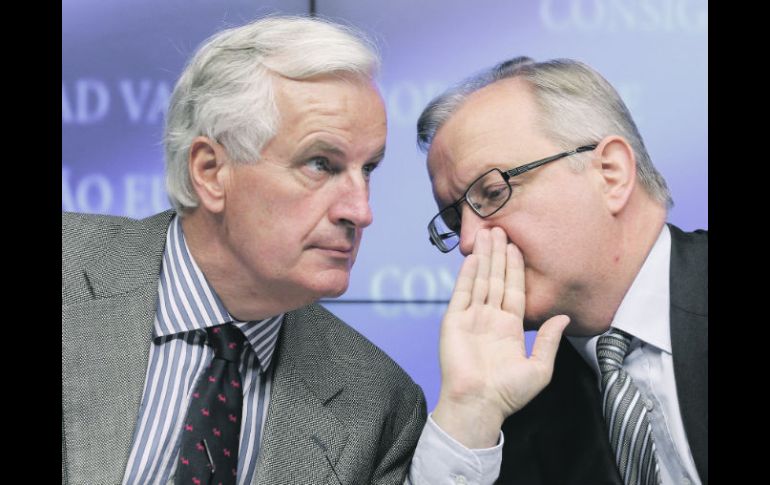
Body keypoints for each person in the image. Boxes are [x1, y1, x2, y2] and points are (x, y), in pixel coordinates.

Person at [62, 17, 565, 485]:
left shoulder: (377, 404)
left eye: (367, 170)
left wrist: (470, 410)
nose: (361, 210)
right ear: (211, 171)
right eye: (321, 164)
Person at [417, 57, 707, 485]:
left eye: (492, 192)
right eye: (457, 220)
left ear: (610, 173)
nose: (469, 242)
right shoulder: (507, 412)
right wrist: (472, 409)